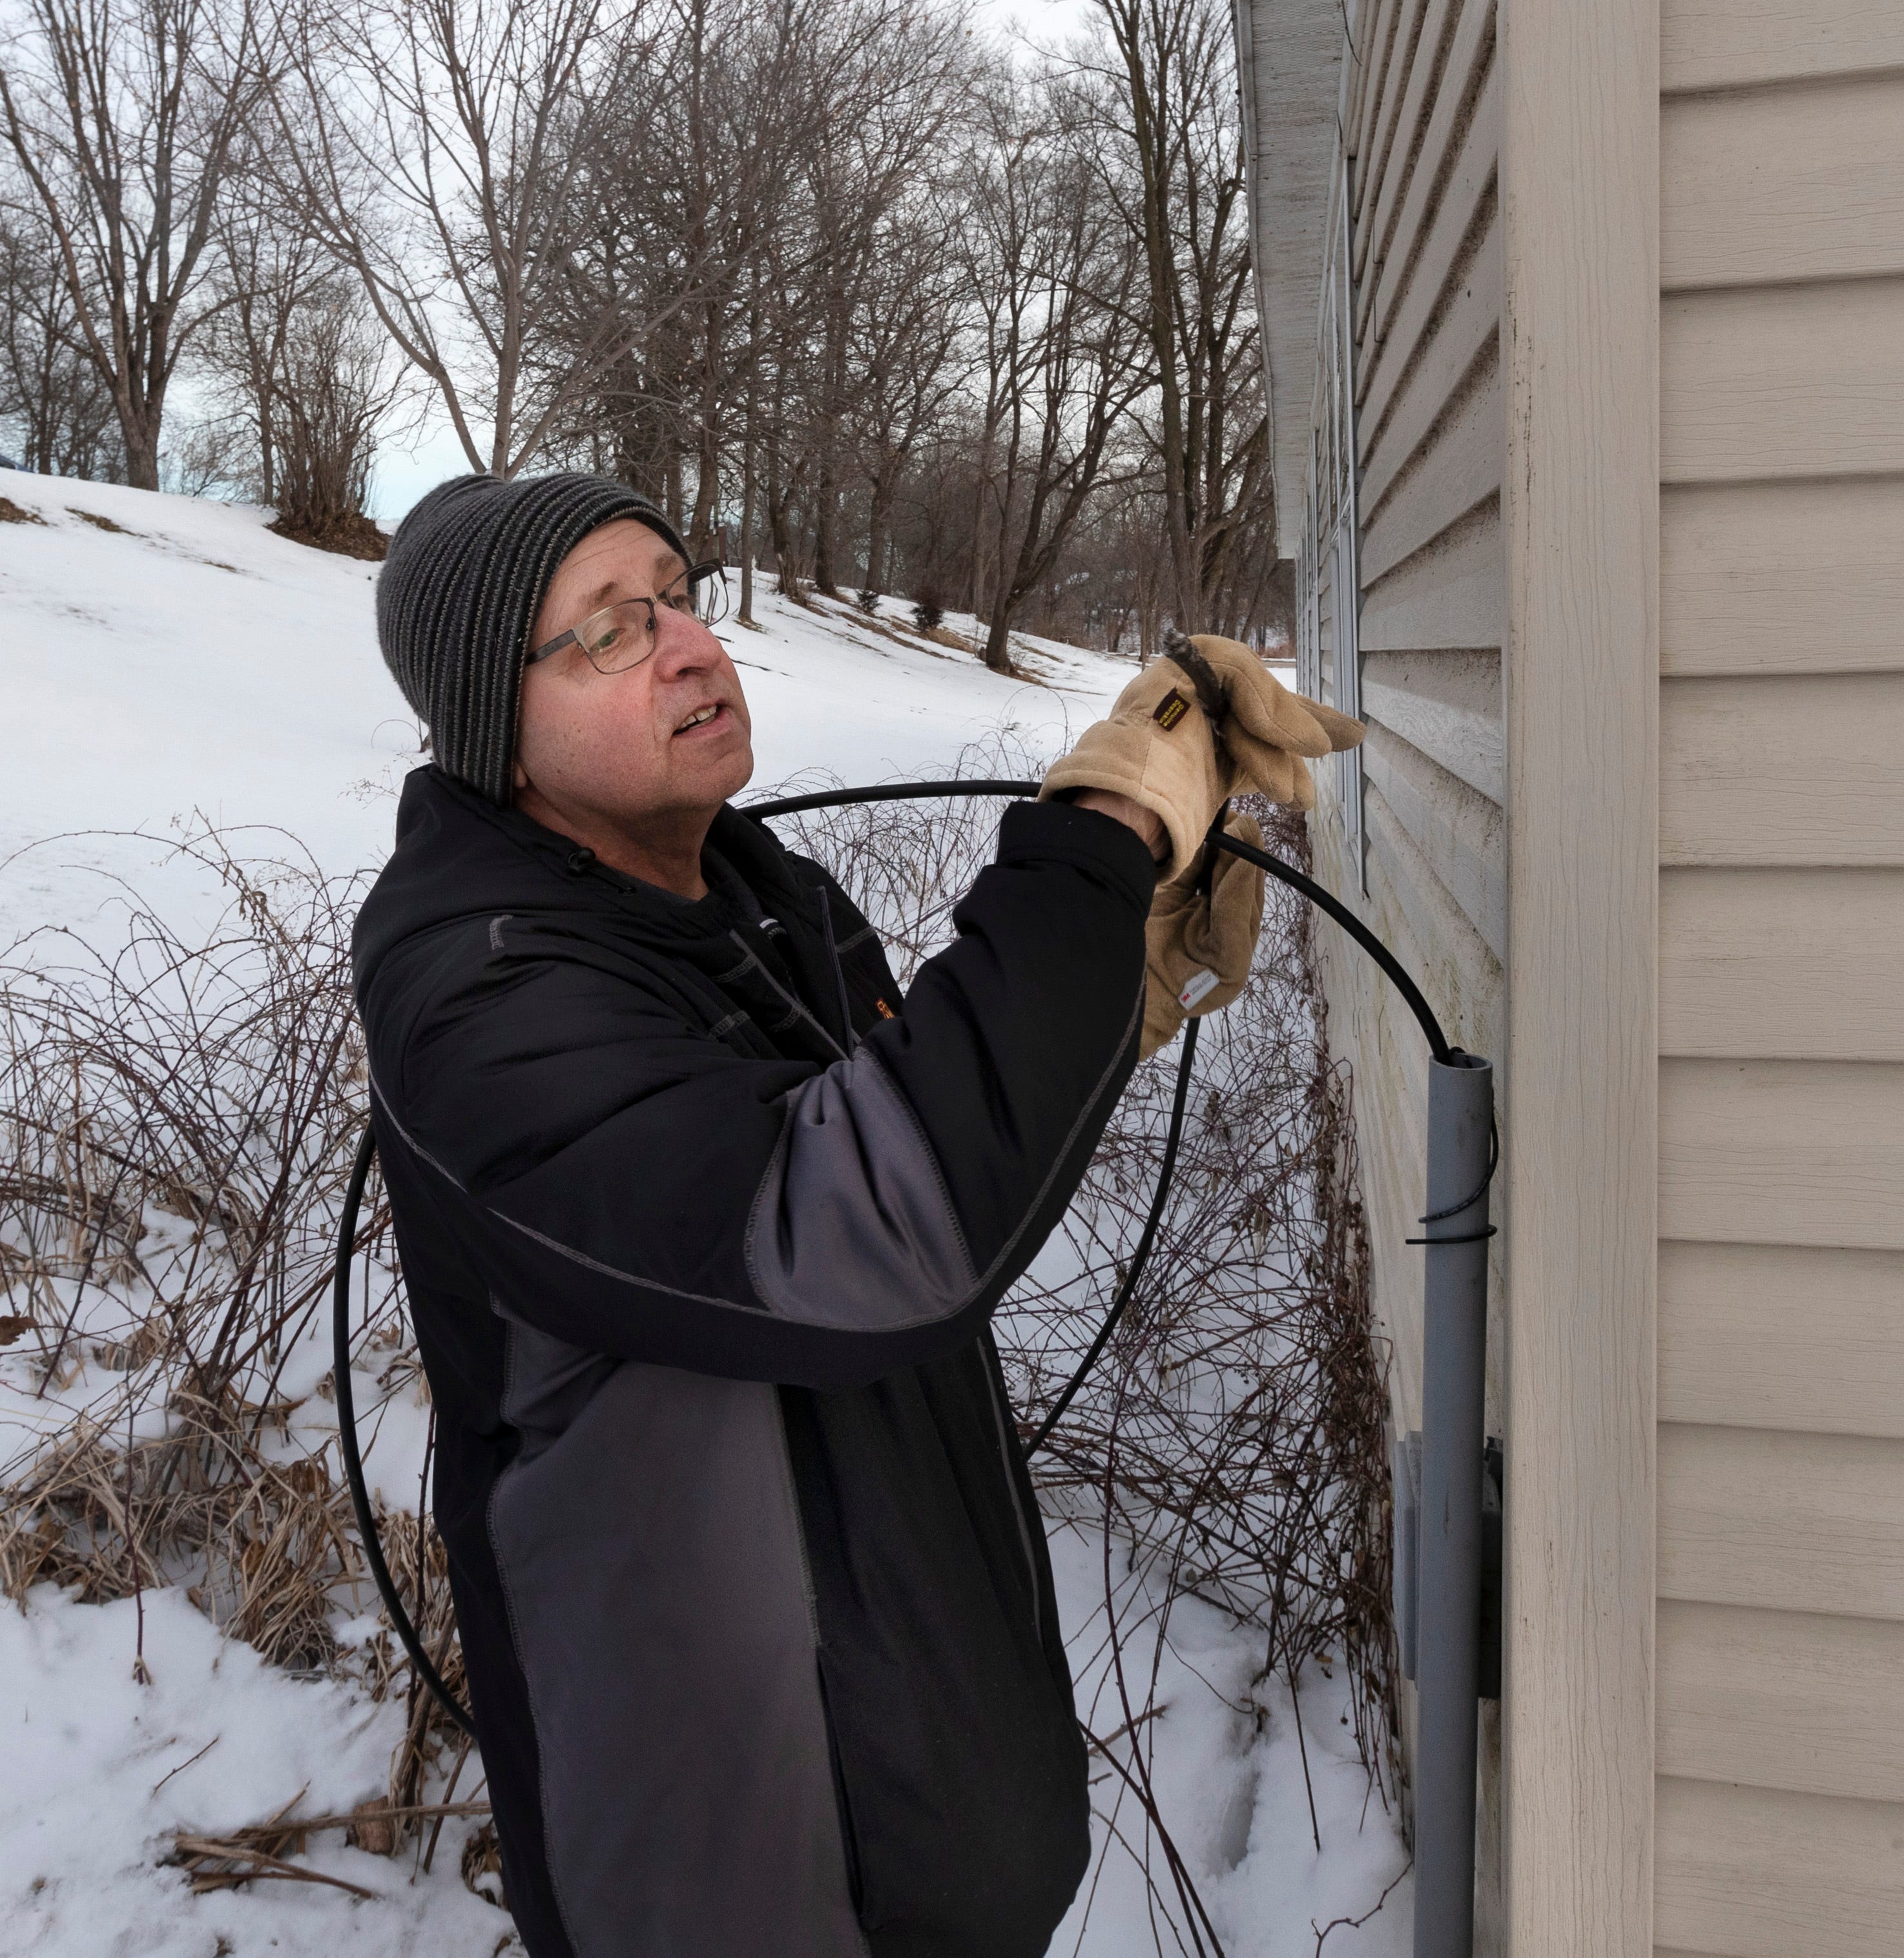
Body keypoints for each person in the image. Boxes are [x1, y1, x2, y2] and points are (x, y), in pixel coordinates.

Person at [353, 471, 1362, 1958]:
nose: (692, 645)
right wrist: (1097, 843)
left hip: (929, 1807)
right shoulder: (483, 995)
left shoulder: (767, 898)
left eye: (679, 593)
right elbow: (850, 1229)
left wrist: (1104, 980)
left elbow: (904, 1132)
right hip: (742, 1867)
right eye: (608, 632)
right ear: (490, 729)